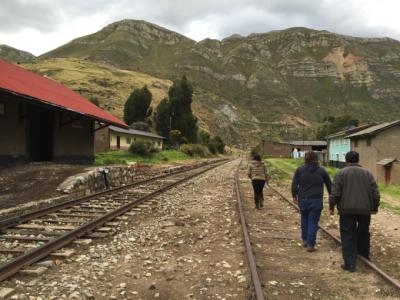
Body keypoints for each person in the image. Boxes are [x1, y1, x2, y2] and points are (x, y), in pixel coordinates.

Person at [329, 151, 380, 272]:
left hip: (346, 210)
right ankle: (364, 254)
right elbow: (375, 194)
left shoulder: (340, 173)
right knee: (363, 231)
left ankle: (350, 264)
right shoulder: (368, 173)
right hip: (365, 210)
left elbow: (335, 193)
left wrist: (331, 206)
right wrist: (374, 207)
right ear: (358, 160)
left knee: (347, 234)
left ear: (346, 160)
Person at [291, 151, 331, 252]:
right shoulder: (322, 171)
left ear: (305, 158)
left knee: (304, 218)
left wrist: (294, 196)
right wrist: (332, 197)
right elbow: (330, 185)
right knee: (313, 221)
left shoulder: (299, 170)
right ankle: (310, 245)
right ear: (316, 158)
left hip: (303, 199)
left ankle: (305, 240)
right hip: (316, 199)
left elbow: (294, 184)